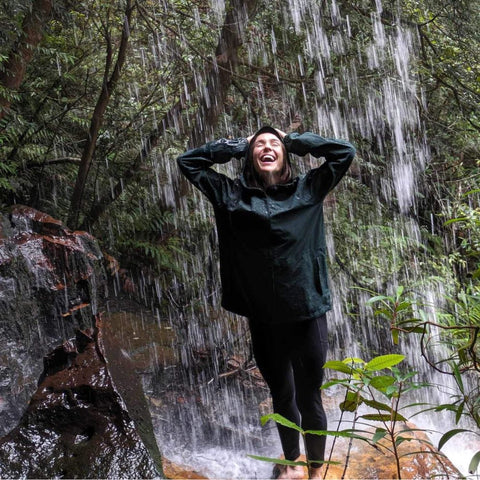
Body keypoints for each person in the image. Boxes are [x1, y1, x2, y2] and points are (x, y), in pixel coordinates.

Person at [177, 126, 355, 479]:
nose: (267, 147)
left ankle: (316, 471)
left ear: (286, 155)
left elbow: (344, 153)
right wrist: (235, 146)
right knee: (282, 394)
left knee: (310, 397)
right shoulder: (229, 195)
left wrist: (294, 140)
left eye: (275, 144)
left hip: (306, 313)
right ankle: (291, 464)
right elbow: (189, 163)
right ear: (250, 157)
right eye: (260, 144)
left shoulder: (309, 188)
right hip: (263, 317)